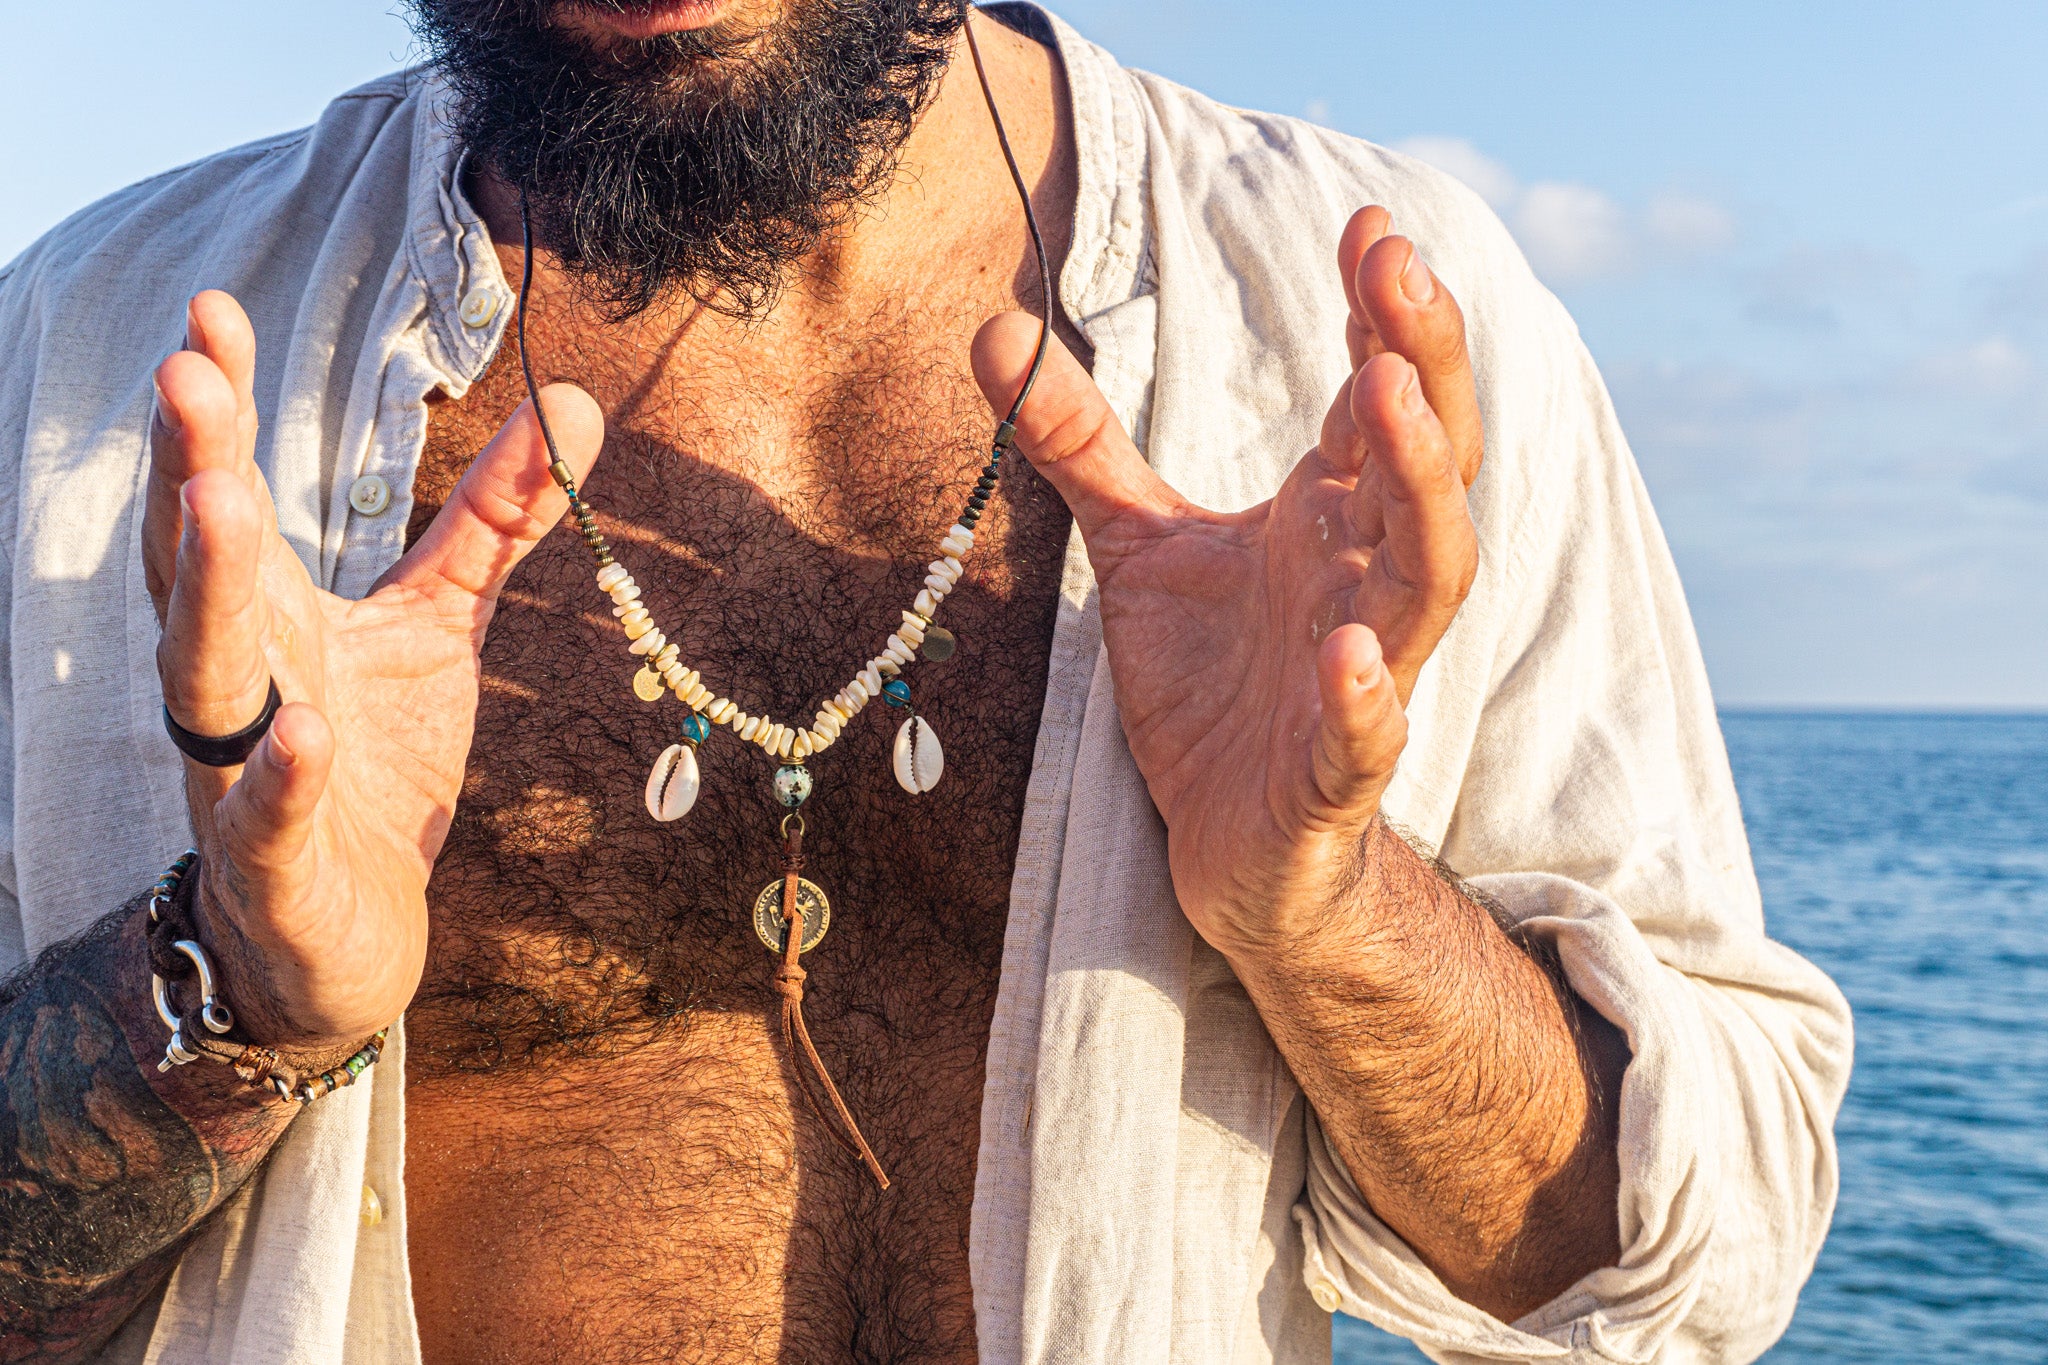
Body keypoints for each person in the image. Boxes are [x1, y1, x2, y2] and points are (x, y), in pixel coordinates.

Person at [0, 1, 1852, 1362]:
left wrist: (1331, 913)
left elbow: (1692, 1262)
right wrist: (232, 987)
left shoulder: (1353, 336)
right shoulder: (94, 375)